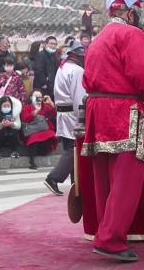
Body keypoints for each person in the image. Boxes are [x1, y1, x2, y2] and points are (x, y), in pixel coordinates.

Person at [80, 0, 144, 262]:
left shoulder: (98, 40)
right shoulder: (132, 35)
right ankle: (111, 239)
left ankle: (103, 232)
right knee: (126, 179)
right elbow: (142, 73)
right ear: (130, 13)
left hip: (98, 108)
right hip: (124, 109)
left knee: (104, 177)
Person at [45, 40, 86, 196]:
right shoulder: (76, 70)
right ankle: (54, 177)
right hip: (72, 113)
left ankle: (76, 182)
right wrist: (82, 116)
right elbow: (78, 97)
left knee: (72, 146)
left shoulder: (63, 67)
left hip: (63, 111)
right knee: (74, 147)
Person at [21, 91, 57, 170]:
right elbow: (25, 118)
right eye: (35, 96)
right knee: (33, 138)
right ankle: (32, 160)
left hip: (44, 129)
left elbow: (54, 114)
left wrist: (51, 103)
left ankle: (44, 150)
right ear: (31, 98)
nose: (38, 98)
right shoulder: (27, 107)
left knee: (51, 134)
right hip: (32, 129)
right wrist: (35, 111)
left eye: (40, 96)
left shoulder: (45, 106)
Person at [0, 95, 22, 159]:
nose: (7, 107)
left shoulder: (15, 112)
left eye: (8, 106)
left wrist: (12, 124)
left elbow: (19, 126)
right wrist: (1, 125)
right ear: (0, 106)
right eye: (4, 106)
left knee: (14, 132)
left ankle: (14, 151)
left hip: (10, 130)